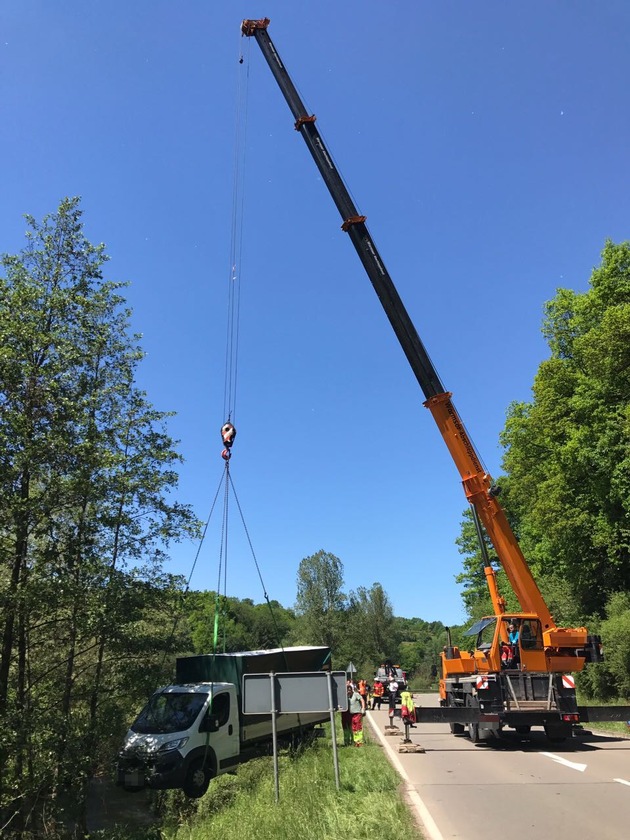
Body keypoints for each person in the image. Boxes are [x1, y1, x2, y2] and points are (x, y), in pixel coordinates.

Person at [341, 681, 366, 747]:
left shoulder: (356, 694)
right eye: (347, 691)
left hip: (357, 713)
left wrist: (363, 708)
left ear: (352, 690)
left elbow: (362, 700)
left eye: (349, 690)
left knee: (357, 727)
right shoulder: (345, 696)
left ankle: (358, 742)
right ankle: (348, 741)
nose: (348, 692)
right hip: (348, 714)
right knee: (347, 727)